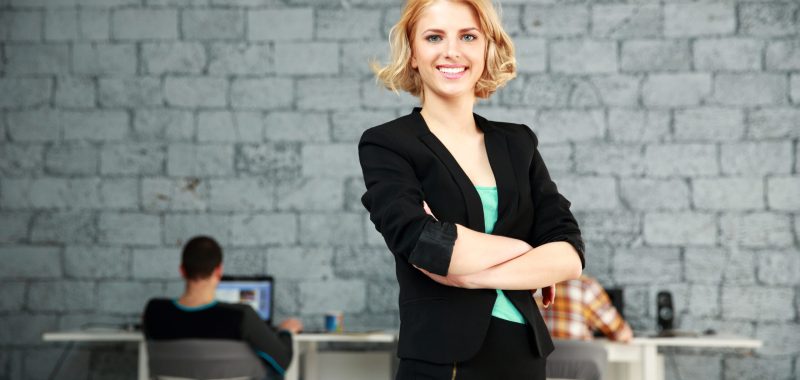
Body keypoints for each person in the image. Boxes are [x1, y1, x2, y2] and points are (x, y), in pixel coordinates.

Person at [359, 1, 585, 379]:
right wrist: (526, 253)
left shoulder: (518, 143)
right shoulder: (387, 144)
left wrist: (471, 273)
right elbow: (426, 245)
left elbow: (569, 254)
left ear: (485, 48)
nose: (452, 51)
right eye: (434, 37)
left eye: (468, 36)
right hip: (443, 361)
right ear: (413, 53)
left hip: (524, 355)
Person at [142, 236, 303, 377]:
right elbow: (282, 362)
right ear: (219, 271)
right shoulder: (241, 316)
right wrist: (285, 332)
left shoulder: (154, 312)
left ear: (182, 270)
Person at [534, 275, 633, 380]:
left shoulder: (529, 285)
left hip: (535, 363)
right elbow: (620, 332)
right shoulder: (585, 286)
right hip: (577, 363)